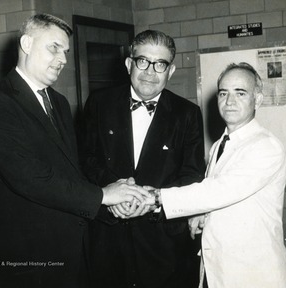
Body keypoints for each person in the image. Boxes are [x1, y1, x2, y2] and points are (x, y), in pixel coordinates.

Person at [0, 13, 149, 288]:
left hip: (71, 256)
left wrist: (110, 205)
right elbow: (29, 177)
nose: (64, 59)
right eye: (54, 48)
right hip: (27, 263)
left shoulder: (58, 102)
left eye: (66, 51)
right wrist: (102, 196)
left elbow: (71, 173)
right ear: (27, 44)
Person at [145, 62, 286, 288]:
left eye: (240, 93)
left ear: (257, 100)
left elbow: (220, 191)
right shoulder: (220, 144)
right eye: (223, 93)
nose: (229, 101)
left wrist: (157, 197)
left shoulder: (266, 146)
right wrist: (201, 214)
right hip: (218, 270)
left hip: (254, 274)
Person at [80, 30, 206, 288]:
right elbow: (86, 159)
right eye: (143, 61)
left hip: (164, 245)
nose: (150, 71)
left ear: (170, 71)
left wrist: (153, 202)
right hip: (108, 239)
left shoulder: (188, 114)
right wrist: (114, 194)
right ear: (129, 64)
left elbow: (192, 175)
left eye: (160, 64)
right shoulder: (98, 103)